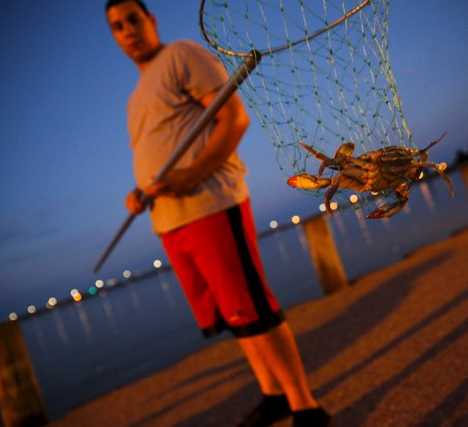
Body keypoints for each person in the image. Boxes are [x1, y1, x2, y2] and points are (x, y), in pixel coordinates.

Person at [104, 1, 336, 426]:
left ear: (151, 20)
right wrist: (139, 195)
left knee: (253, 306)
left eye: (133, 20)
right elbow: (158, 157)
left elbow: (234, 118)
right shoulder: (135, 98)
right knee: (233, 315)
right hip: (169, 220)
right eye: (117, 27)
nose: (127, 31)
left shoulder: (182, 55)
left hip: (210, 202)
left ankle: (305, 406)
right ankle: (273, 394)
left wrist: (191, 175)